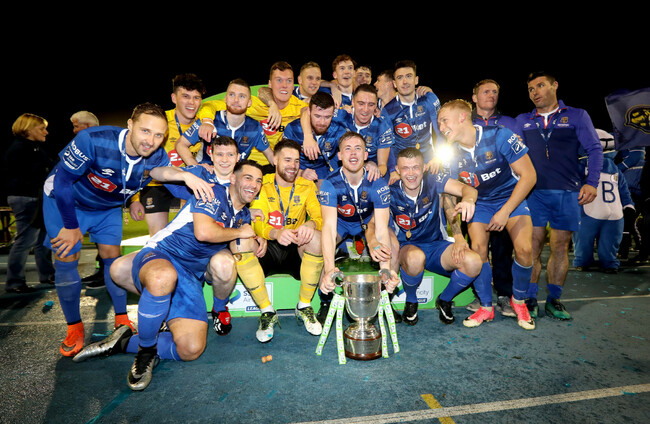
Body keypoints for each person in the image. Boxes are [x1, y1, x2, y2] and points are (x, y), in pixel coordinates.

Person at [72, 160, 264, 391]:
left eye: (259, 181)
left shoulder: (243, 215)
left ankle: (123, 341)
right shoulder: (212, 192)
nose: (254, 184)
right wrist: (241, 232)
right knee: (161, 277)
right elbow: (204, 232)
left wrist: (258, 239)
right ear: (233, 178)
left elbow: (241, 245)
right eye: (248, 177)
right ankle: (145, 351)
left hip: (189, 277)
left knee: (191, 349)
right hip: (163, 254)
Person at [42, 102, 215, 357]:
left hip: (108, 206)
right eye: (145, 131)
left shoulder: (156, 155)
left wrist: (199, 186)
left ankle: (121, 319)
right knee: (67, 257)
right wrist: (71, 225)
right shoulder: (93, 139)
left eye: (159, 135)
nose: (151, 141)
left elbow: (166, 178)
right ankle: (74, 327)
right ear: (130, 125)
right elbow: (63, 181)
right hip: (66, 201)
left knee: (112, 259)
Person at [439, 99, 537, 330]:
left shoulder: (500, 135)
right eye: (439, 123)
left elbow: (530, 176)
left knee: (525, 250)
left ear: (462, 117)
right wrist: (458, 235)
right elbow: (448, 197)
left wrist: (505, 212)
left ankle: (518, 301)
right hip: (480, 203)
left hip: (509, 198)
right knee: (478, 249)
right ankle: (486, 307)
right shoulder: (449, 154)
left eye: (444, 121)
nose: (441, 128)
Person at [513, 71, 603, 320]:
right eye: (530, 89)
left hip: (567, 192)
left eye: (540, 85)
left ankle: (554, 299)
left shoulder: (576, 115)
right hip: (533, 193)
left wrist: (592, 183)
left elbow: (595, 149)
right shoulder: (523, 120)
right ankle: (530, 298)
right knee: (531, 247)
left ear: (555, 85)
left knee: (561, 247)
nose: (535, 92)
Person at [387, 147, 483, 326]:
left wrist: (468, 200)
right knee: (415, 258)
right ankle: (411, 301)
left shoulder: (433, 181)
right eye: (405, 168)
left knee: (474, 262)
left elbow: (467, 189)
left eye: (416, 167)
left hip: (436, 246)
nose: (411, 173)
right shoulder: (389, 190)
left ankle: (444, 299)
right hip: (408, 248)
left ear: (424, 167)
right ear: (397, 170)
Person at [241, 139, 325, 341]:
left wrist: (310, 225)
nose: (293, 166)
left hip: (295, 248)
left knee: (317, 238)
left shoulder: (307, 186)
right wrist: (275, 233)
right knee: (241, 242)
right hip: (267, 247)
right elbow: (257, 221)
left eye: (296, 161)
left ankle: (304, 305)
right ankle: (267, 310)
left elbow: (319, 217)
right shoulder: (262, 183)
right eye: (287, 160)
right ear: (275, 160)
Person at [317, 132, 400, 320]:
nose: (353, 153)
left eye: (358, 148)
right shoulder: (330, 183)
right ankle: (326, 301)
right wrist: (330, 269)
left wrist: (385, 269)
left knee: (393, 246)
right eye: (347, 149)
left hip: (368, 224)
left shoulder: (378, 183)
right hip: (341, 224)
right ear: (339, 156)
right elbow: (329, 228)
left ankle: (385, 297)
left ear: (365, 155)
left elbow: (381, 228)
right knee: (325, 245)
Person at [130, 73, 207, 237]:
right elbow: (137, 159)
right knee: (158, 236)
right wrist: (134, 199)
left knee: (191, 233)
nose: (191, 102)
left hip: (187, 183)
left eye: (196, 97)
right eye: (185, 96)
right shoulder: (160, 122)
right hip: (156, 184)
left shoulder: (204, 124)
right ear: (174, 98)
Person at [467, 79, 518, 317]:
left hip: (502, 196)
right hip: (475, 198)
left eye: (495, 91)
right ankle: (481, 296)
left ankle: (505, 295)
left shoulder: (510, 123)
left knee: (502, 248)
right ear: (474, 97)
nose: (491, 95)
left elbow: (520, 158)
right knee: (478, 248)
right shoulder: (465, 123)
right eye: (485, 91)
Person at [3, 113, 55, 293]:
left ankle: (47, 274)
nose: (46, 132)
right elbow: (36, 174)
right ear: (28, 129)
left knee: (42, 239)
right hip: (27, 198)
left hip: (34, 197)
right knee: (26, 240)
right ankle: (14, 282)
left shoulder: (34, 148)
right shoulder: (21, 149)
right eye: (42, 128)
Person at [573, 130, 634, 274]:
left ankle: (588, 261)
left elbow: (572, 184)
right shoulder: (615, 169)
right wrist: (628, 205)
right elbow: (624, 190)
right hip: (610, 211)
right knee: (605, 239)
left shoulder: (583, 166)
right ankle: (606, 262)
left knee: (587, 239)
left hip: (594, 210)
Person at [175, 78, 275, 167]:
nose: (236, 100)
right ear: (226, 99)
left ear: (249, 103)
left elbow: (271, 156)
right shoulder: (210, 121)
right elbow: (180, 144)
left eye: (242, 96)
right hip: (206, 177)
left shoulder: (255, 127)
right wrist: (196, 168)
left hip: (235, 179)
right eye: (232, 95)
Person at [381, 60, 441, 184]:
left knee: (442, 190)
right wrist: (392, 170)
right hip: (402, 165)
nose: (405, 81)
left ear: (416, 80)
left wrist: (438, 157)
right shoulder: (388, 111)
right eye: (400, 78)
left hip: (429, 160)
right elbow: (387, 144)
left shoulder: (429, 99)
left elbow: (441, 131)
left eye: (409, 76)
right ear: (394, 83)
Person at [246, 61, 308, 172]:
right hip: (252, 164)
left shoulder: (301, 108)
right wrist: (209, 122)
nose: (284, 85)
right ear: (270, 84)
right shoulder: (253, 105)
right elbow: (215, 106)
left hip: (285, 166)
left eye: (289, 81)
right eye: (279, 80)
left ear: (293, 85)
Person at [69, 111, 105, 289]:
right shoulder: (87, 143)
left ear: (88, 126)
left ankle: (106, 276)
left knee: (105, 242)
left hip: (102, 202)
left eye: (77, 126)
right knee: (98, 241)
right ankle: (101, 272)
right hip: (90, 200)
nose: (74, 130)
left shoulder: (101, 144)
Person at [284, 91, 348, 188]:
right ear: (309, 112)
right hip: (297, 172)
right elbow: (282, 162)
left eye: (327, 117)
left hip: (325, 172)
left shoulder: (339, 127)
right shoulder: (293, 129)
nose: (322, 122)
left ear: (333, 114)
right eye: (317, 116)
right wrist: (301, 173)